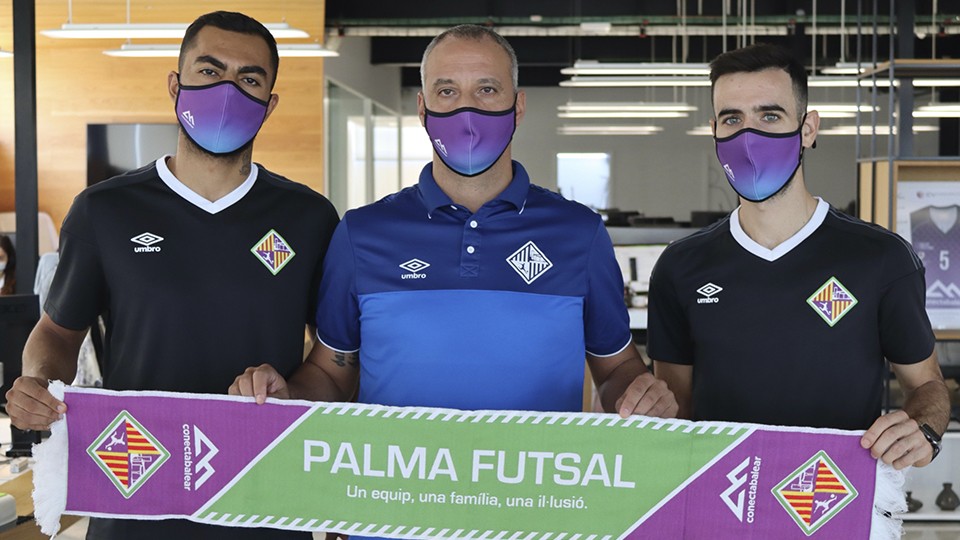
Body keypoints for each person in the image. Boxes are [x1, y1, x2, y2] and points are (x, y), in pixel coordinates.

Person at [232, 23, 677, 535]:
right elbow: (332, 373)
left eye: (486, 90)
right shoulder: (363, 233)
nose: (468, 111)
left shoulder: (579, 233)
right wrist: (283, 397)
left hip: (535, 518)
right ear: (422, 108)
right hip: (391, 517)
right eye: (448, 91)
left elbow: (615, 367)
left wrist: (641, 393)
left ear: (519, 105)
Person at [5, 11, 338, 540]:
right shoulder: (104, 211)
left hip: (263, 493)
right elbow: (56, 332)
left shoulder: (311, 218)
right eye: (209, 71)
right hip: (133, 490)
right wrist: (38, 382)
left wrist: (292, 391)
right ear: (175, 85)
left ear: (269, 105)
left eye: (249, 79)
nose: (228, 90)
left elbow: (334, 358)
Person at [648, 43, 950, 471]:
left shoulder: (881, 260)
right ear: (714, 129)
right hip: (722, 500)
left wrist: (923, 430)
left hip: (833, 498)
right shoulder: (681, 266)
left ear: (808, 129)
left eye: (770, 116)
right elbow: (674, 403)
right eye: (733, 119)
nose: (748, 136)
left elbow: (927, 385)